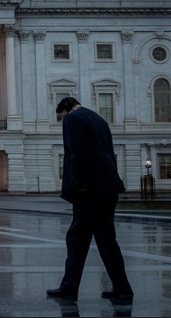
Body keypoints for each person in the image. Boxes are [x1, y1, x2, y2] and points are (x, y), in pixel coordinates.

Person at [47, 96, 133, 302]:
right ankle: (122, 287)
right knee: (106, 240)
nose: (62, 120)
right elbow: (108, 153)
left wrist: (78, 187)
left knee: (77, 239)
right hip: (108, 186)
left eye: (61, 117)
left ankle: (69, 287)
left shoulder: (73, 119)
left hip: (90, 190)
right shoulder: (98, 119)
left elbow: (77, 154)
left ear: (65, 110)